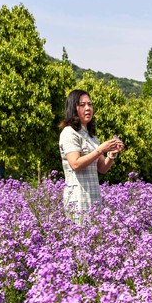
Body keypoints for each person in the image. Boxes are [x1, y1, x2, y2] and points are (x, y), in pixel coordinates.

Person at [58, 89, 124, 222]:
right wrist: (100, 150)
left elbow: (102, 168)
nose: (88, 108)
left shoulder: (91, 135)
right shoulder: (69, 133)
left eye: (90, 104)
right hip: (77, 199)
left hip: (93, 197)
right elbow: (75, 164)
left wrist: (111, 154)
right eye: (82, 105)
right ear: (73, 108)